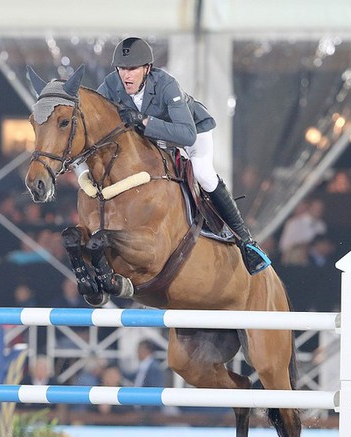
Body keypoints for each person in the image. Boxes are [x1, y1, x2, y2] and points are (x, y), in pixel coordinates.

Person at [97, 36, 270, 275]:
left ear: (147, 69)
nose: (126, 75)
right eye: (122, 68)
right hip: (154, 139)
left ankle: (246, 241)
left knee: (203, 173)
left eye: (132, 69)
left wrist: (144, 121)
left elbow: (186, 135)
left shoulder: (167, 84)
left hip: (192, 131)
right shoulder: (109, 85)